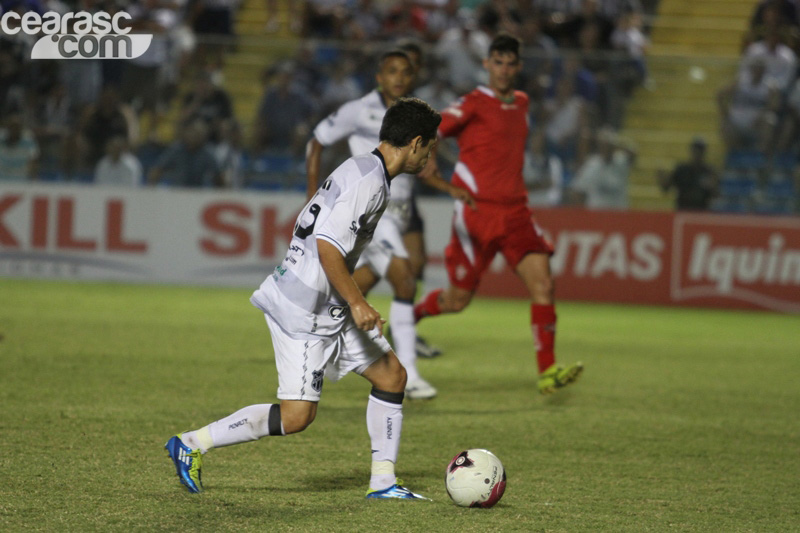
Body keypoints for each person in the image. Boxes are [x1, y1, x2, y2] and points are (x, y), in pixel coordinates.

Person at [165, 97, 441, 500]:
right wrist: (359, 302)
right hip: (304, 309)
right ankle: (191, 443)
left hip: (327, 301)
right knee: (297, 418)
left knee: (391, 376)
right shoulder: (368, 181)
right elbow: (327, 244)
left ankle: (383, 482)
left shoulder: (366, 170)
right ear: (415, 142)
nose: (430, 158)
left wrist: (349, 301)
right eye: (430, 148)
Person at [416, 33, 583, 395]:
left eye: (511, 63)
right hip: (476, 214)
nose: (504, 69)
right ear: (487, 64)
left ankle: (547, 371)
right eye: (498, 62)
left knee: (544, 285)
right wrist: (429, 156)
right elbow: (435, 128)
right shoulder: (473, 102)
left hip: (517, 213)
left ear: (518, 67)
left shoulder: (522, 102)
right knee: (457, 301)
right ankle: (408, 319)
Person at [306, 50, 469, 399]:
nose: (399, 78)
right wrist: (312, 194)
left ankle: (323, 338)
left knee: (360, 282)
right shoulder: (359, 110)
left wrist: (448, 187)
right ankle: (408, 372)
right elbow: (316, 140)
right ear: (379, 76)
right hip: (371, 210)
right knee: (405, 280)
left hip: (398, 212)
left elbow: (423, 169)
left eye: (406, 72)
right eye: (392, 71)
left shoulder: (414, 119)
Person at [568, 127, 636, 209]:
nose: (606, 149)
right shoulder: (592, 164)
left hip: (618, 213)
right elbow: (577, 190)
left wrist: (616, 144)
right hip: (597, 214)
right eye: (603, 145)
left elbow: (633, 153)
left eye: (608, 146)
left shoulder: (621, 161)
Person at [657, 136, 719, 211]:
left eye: (700, 150)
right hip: (683, 210)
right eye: (695, 150)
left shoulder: (709, 172)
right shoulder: (681, 170)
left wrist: (712, 186)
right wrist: (662, 178)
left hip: (701, 212)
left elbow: (716, 195)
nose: (697, 153)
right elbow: (666, 188)